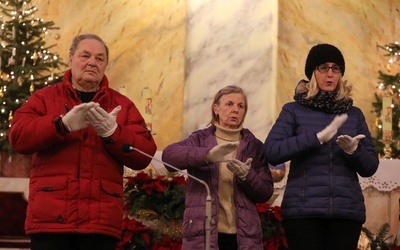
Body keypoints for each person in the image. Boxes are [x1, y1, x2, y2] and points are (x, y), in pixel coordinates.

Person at [8, 33, 157, 250]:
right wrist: (60, 125)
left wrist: (113, 133)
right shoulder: (44, 98)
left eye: (99, 58)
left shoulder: (122, 105)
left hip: (99, 223)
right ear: (71, 58)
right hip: (51, 220)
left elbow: (144, 154)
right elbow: (18, 137)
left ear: (105, 64)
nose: (91, 63)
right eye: (85, 55)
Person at [263, 43, 379, 250]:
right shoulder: (293, 111)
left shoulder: (354, 114)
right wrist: (314, 139)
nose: (330, 74)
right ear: (312, 73)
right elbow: (272, 150)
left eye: (336, 68)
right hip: (304, 212)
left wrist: (355, 151)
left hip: (345, 212)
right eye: (323, 68)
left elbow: (370, 167)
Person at [162, 85, 274, 250]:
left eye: (240, 106)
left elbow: (265, 192)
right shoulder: (200, 139)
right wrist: (207, 156)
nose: (235, 110)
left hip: (243, 235)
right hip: (204, 231)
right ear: (216, 108)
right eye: (229, 104)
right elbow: (168, 157)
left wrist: (247, 176)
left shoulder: (254, 146)